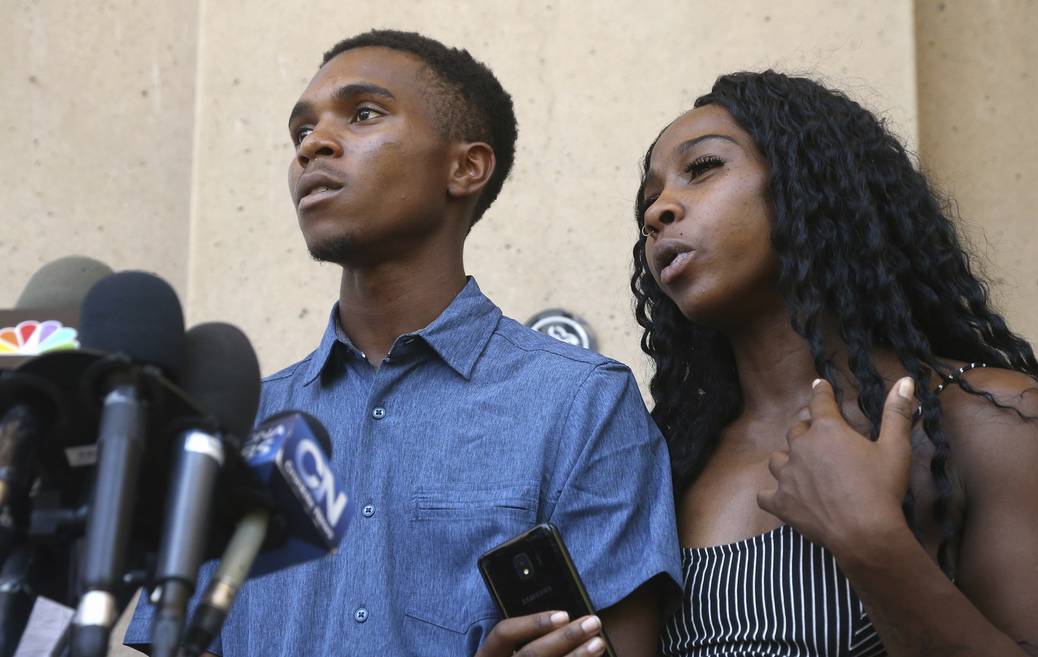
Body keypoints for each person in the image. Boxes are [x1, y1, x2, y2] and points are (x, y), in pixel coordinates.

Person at [124, 30, 681, 657]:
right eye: (300, 132)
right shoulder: (239, 423)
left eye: (363, 113)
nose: (314, 145)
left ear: (466, 167)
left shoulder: (581, 403)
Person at [632, 70, 1038, 656]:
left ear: (813, 183)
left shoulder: (986, 418)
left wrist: (870, 538)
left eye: (702, 169)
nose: (659, 211)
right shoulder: (668, 459)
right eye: (650, 200)